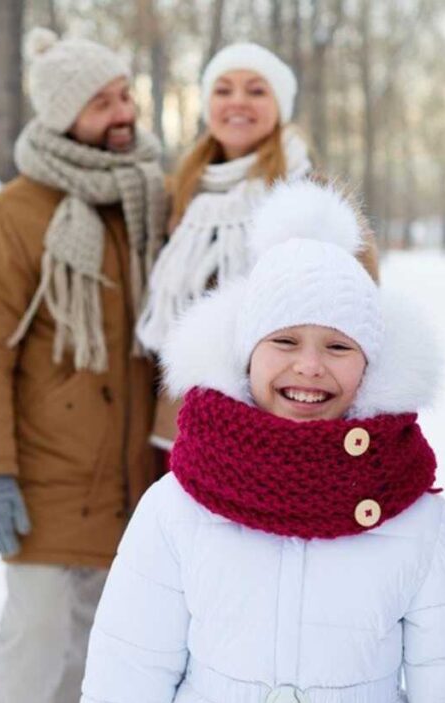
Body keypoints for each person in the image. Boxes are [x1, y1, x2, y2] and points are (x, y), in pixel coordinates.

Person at [72, 180, 445, 703]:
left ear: (371, 362)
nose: (309, 367)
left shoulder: (422, 522)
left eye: (338, 347)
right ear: (245, 352)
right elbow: (124, 689)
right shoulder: (178, 507)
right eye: (284, 340)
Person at [0, 27, 166, 703]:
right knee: (33, 653)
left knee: (96, 658)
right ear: (61, 115)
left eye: (124, 94)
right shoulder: (14, 213)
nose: (122, 112)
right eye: (102, 101)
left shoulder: (142, 196)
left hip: (128, 479)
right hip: (43, 480)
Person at [136, 42, 376, 453]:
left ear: (280, 105)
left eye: (256, 90)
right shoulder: (182, 192)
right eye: (223, 90)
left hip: (279, 425)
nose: (238, 102)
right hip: (185, 420)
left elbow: (363, 313)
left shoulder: (314, 195)